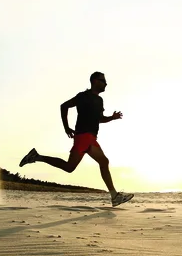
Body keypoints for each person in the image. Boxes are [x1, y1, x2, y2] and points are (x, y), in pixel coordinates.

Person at [19, 72, 134, 207]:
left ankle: (37, 157)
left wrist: (111, 118)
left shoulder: (99, 100)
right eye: (103, 81)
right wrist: (66, 127)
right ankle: (114, 196)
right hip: (83, 136)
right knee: (85, 164)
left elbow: (99, 119)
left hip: (90, 137)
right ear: (94, 81)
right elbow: (64, 106)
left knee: (84, 165)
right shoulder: (83, 96)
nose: (105, 84)